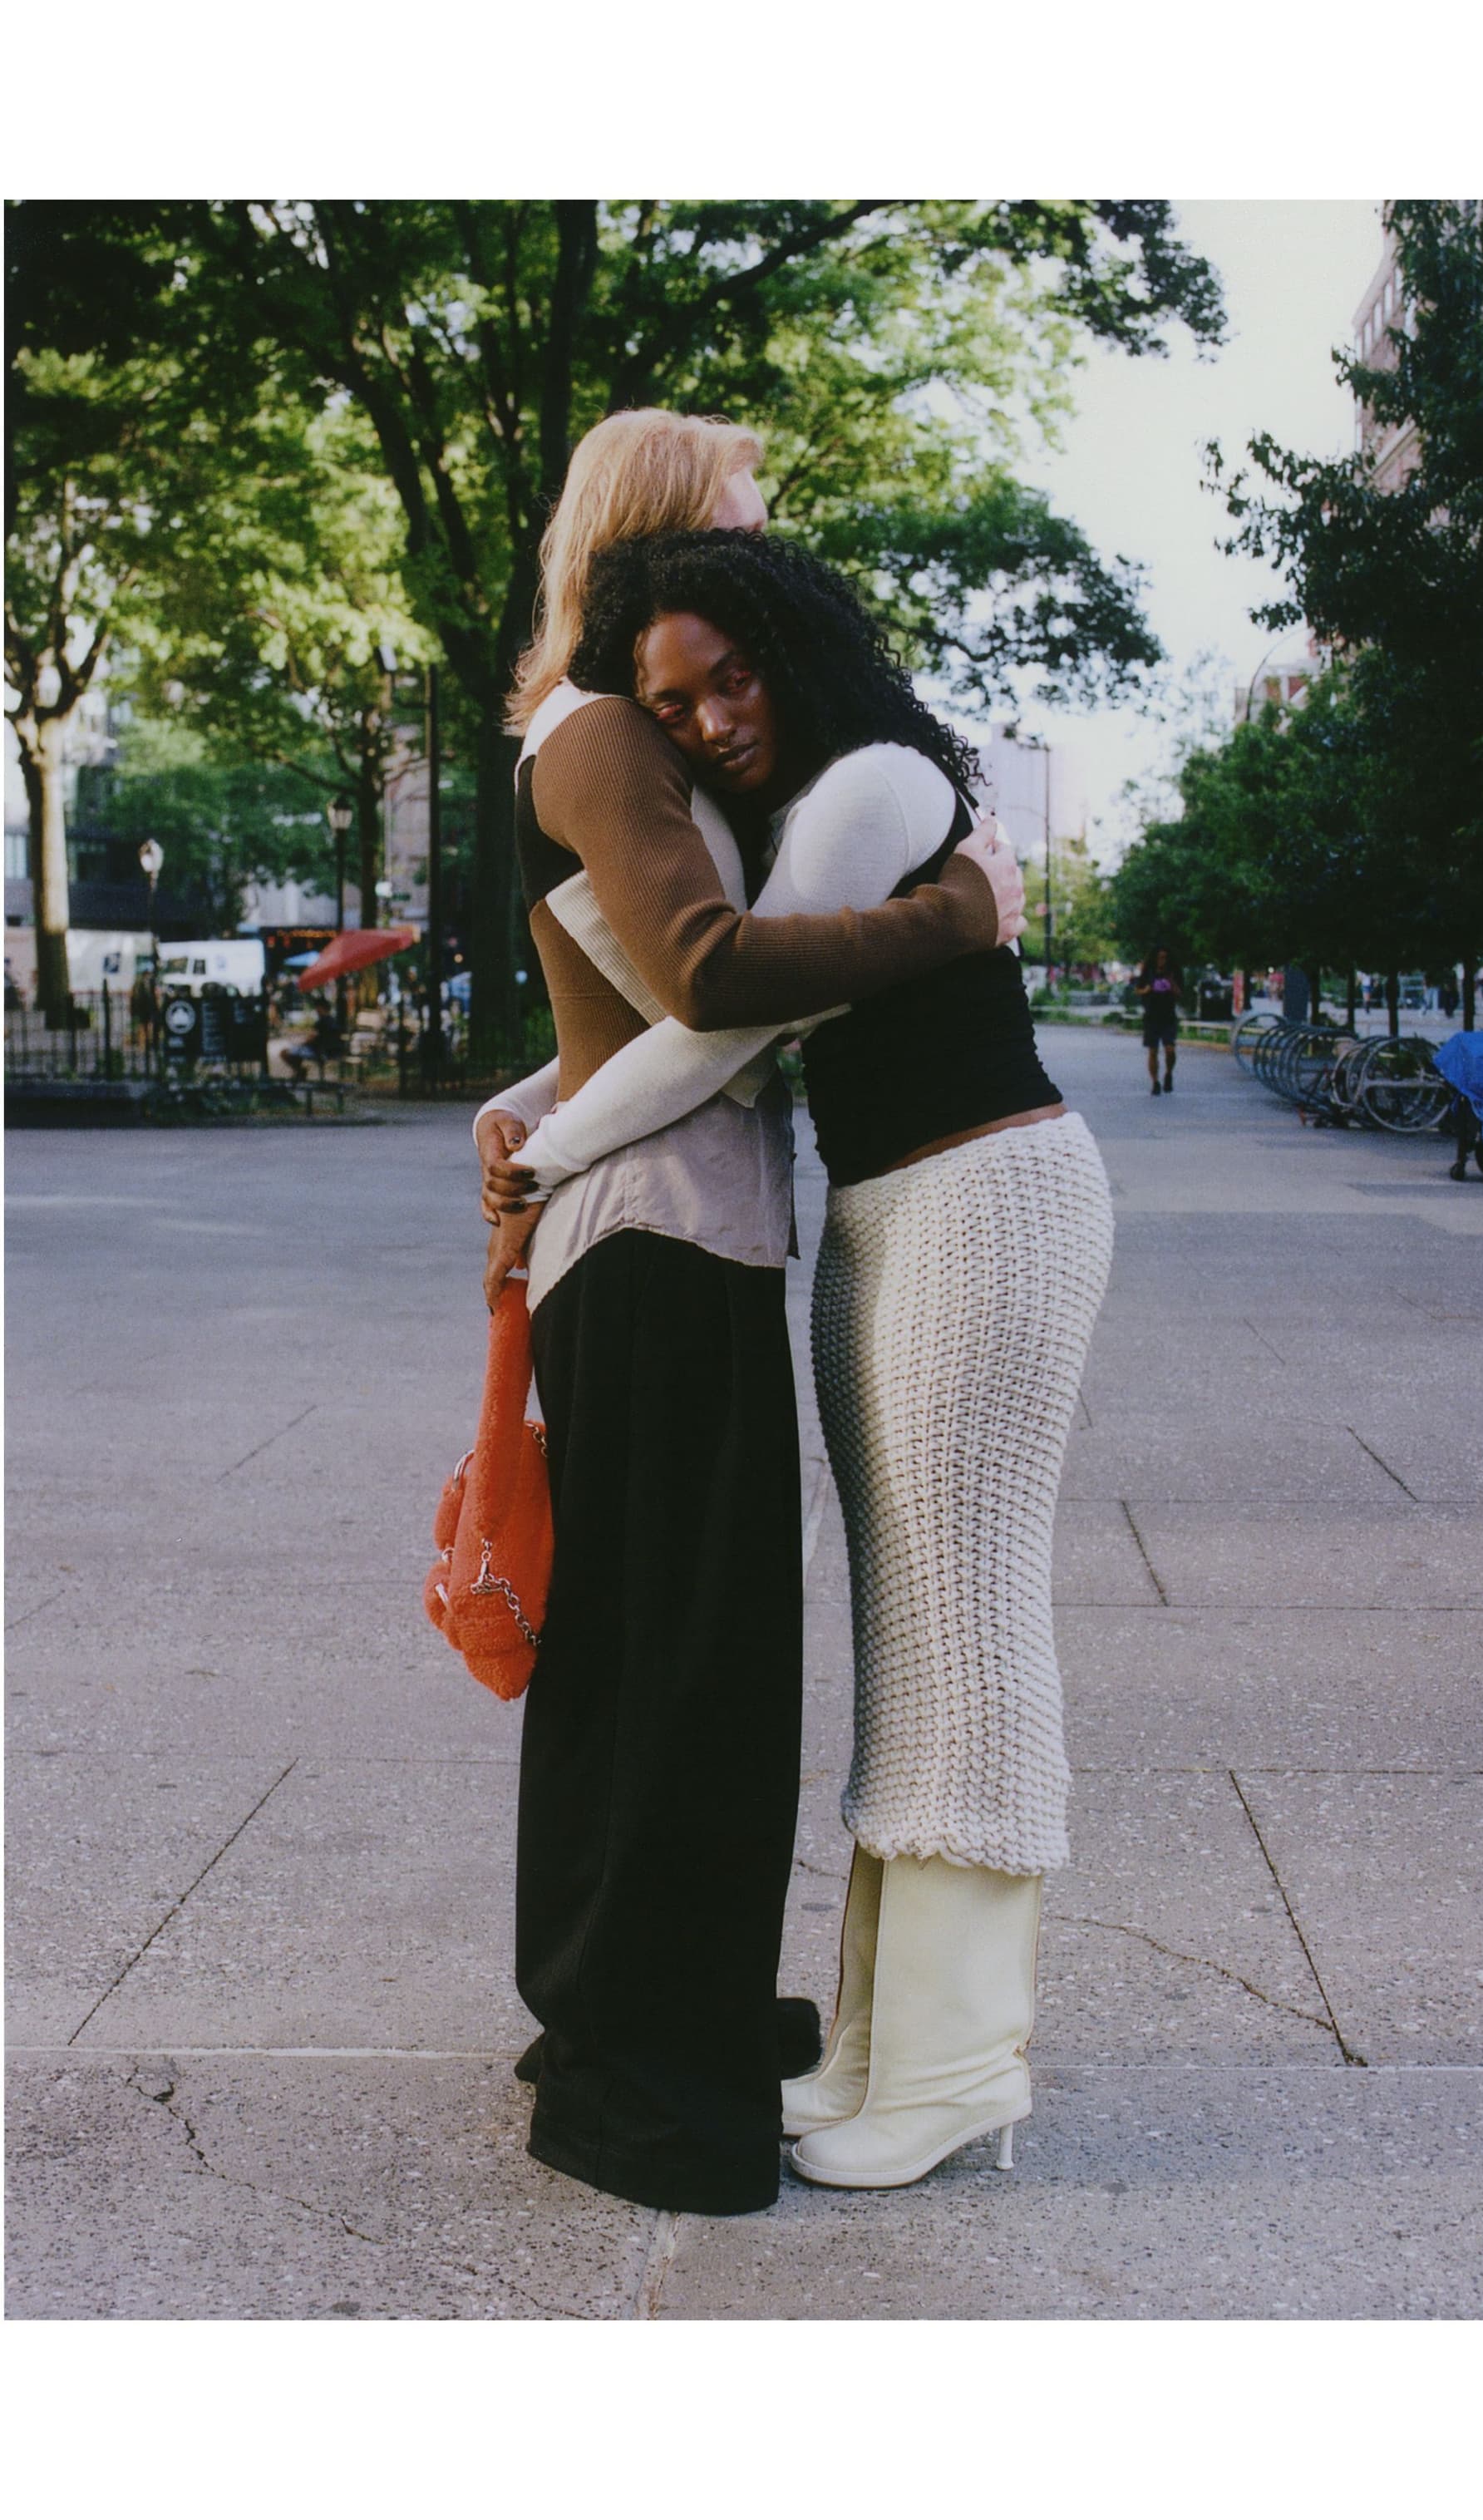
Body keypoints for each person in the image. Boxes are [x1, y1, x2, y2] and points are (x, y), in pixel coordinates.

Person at [490, 530, 1113, 2191]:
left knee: (968, 1618)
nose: (704, 722)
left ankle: (962, 2060)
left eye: (729, 676)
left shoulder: (876, 786)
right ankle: (878, 2044)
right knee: (906, 1631)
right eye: (675, 702)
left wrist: (546, 1148)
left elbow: (721, 1014)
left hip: (985, 1199)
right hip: (898, 1210)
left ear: (798, 642)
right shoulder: (816, 799)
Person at [1134, 947, 1183, 1094]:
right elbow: (1137, 990)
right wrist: (1146, 990)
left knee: (1170, 1049)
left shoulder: (1173, 973)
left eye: (1165, 957)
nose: (1162, 960)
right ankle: (1155, 1081)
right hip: (1151, 1016)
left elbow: (1180, 993)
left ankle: (1168, 1073)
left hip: (1168, 1016)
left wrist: (1171, 982)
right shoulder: (1148, 973)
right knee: (1153, 1051)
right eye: (1160, 957)